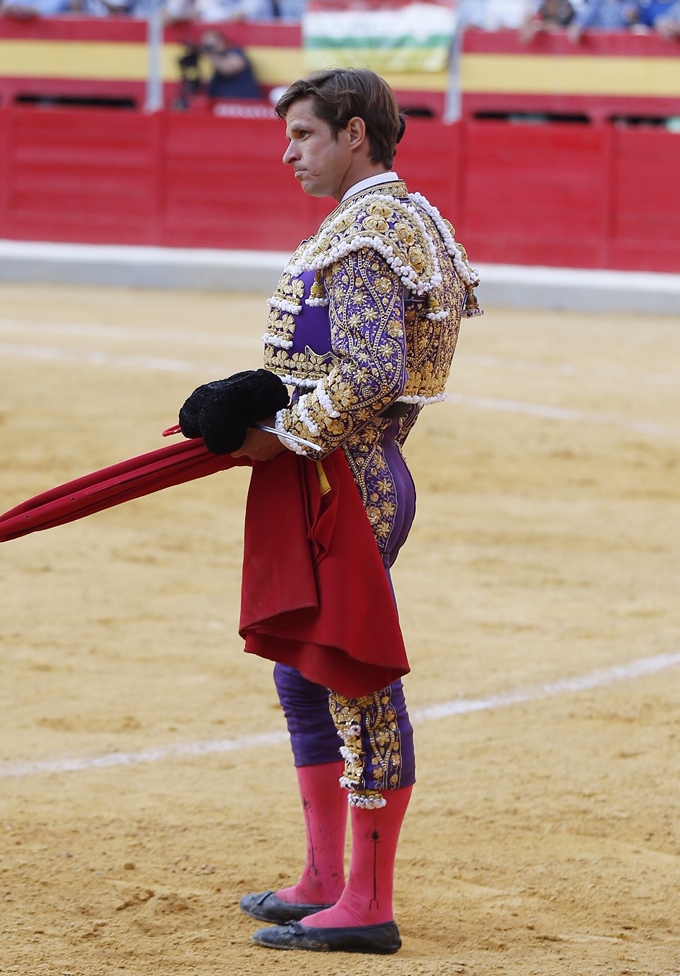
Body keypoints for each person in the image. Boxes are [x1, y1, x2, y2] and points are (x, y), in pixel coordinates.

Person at [206, 68, 479, 954]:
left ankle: (367, 902)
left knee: (354, 681)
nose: (287, 153)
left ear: (353, 133)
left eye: (303, 135)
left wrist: (281, 434)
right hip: (362, 470)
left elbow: (366, 377)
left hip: (346, 478)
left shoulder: (364, 233)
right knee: (308, 672)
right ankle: (330, 876)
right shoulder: (413, 217)